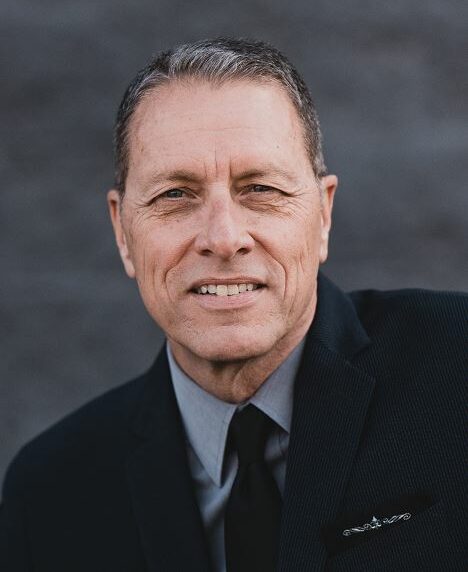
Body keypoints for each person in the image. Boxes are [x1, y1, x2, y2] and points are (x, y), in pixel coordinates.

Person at [0, 38, 466, 572]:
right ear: (123, 232)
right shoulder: (50, 497)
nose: (223, 238)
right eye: (175, 195)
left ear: (323, 217)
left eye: (260, 188)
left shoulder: (459, 375)